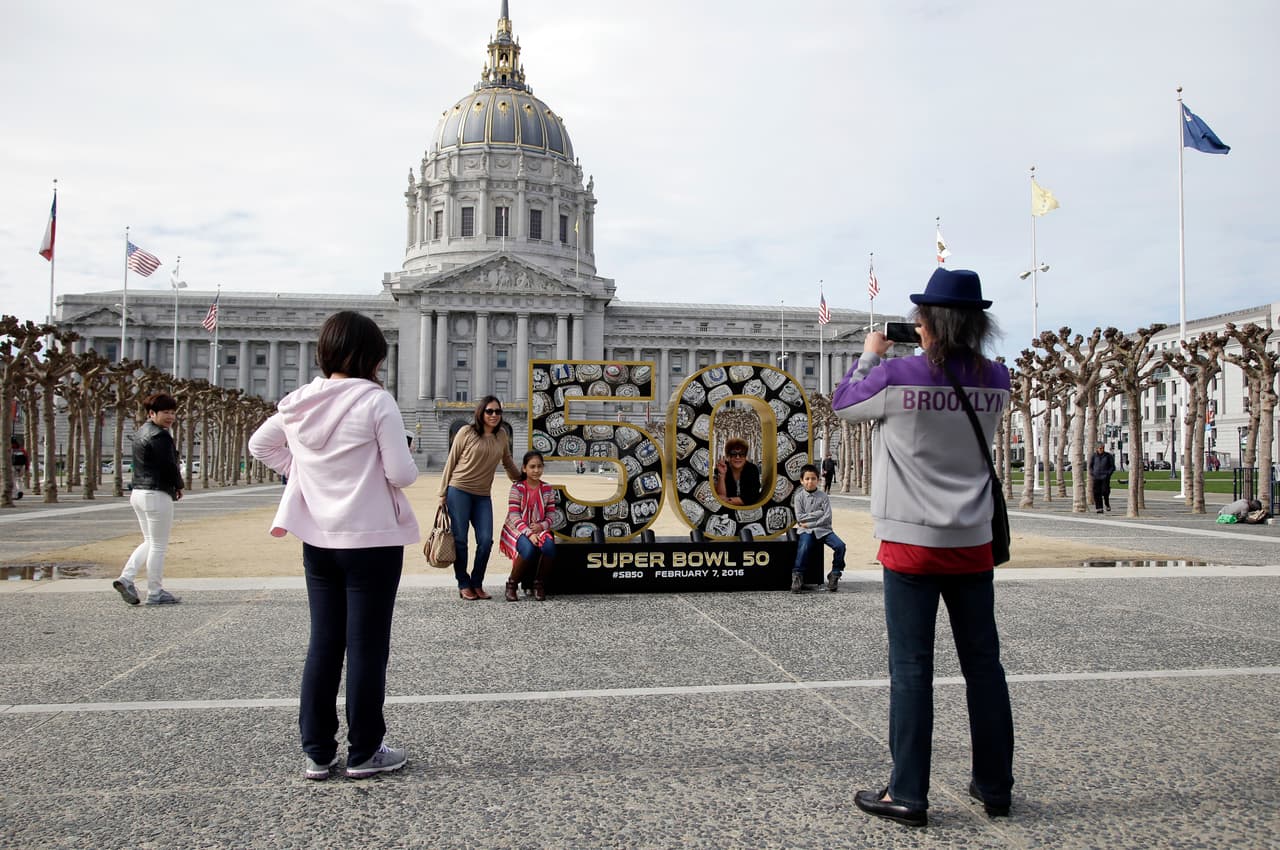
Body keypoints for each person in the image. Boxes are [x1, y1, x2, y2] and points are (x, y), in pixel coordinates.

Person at [832, 267, 1014, 828]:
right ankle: (995, 785)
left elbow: (842, 404)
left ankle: (908, 792)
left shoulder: (897, 376)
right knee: (984, 667)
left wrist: (869, 354)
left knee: (912, 670)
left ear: (927, 324)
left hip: (911, 541)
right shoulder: (998, 379)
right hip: (972, 539)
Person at [249, 311, 419, 781]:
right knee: (367, 647)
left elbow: (259, 446)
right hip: (372, 539)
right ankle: (365, 751)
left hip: (319, 539)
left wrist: (305, 472)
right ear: (371, 357)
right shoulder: (376, 402)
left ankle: (318, 752)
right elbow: (402, 474)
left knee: (324, 643)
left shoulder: (298, 402)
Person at [439, 396, 520, 600]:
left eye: (497, 412)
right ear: (481, 412)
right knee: (460, 540)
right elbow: (452, 461)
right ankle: (463, 583)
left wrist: (522, 480)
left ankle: (477, 582)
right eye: (489, 411)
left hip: (483, 495)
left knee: (485, 540)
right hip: (459, 490)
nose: (494, 415)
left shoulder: (501, 435)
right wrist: (442, 493)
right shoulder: (466, 432)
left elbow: (507, 461)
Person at [112, 393, 184, 606]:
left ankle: (126, 578)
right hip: (156, 493)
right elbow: (169, 465)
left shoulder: (141, 432)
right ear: (152, 413)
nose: (170, 416)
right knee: (159, 545)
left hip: (139, 493)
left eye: (173, 412)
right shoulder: (160, 436)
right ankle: (155, 591)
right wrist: (178, 485)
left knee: (150, 541)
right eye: (166, 412)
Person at [499, 451, 559, 601]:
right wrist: (529, 533)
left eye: (539, 466)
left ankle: (538, 584)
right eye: (532, 467)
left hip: (539, 527)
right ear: (524, 468)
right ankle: (511, 585)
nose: (536, 470)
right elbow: (513, 515)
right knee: (528, 549)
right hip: (518, 528)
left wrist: (541, 526)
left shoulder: (547, 489)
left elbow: (551, 515)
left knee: (549, 547)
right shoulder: (517, 488)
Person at [792, 463, 847, 593]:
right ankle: (798, 575)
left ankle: (835, 573)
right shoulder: (798, 497)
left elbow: (827, 517)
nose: (810, 482)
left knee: (840, 546)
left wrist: (811, 521)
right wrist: (818, 513)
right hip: (806, 531)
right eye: (807, 479)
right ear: (801, 480)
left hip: (824, 530)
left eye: (813, 479)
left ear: (818, 480)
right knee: (804, 546)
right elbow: (800, 518)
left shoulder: (823, 496)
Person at [714, 437, 761, 506]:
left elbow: (752, 497)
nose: (738, 457)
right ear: (728, 456)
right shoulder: (721, 468)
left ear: (745, 456)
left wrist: (727, 500)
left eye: (742, 454)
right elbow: (720, 496)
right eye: (733, 454)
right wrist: (722, 475)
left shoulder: (752, 469)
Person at [1088, 444, 1116, 513]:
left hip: (1105, 477)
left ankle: (1107, 503)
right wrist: (1092, 473)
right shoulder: (1094, 456)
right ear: (1097, 449)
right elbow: (1090, 466)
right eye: (1100, 448)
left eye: (1102, 448)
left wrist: (1108, 474)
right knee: (1097, 493)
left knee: (1105, 491)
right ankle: (1099, 508)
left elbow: (1112, 467)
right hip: (1096, 477)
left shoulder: (1108, 456)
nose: (1101, 449)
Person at [10, 435, 28, 500]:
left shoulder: (9, 450)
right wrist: (27, 467)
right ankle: (20, 490)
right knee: (19, 479)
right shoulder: (22, 449)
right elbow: (26, 458)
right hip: (22, 466)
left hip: (13, 466)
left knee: (13, 480)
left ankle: (15, 494)